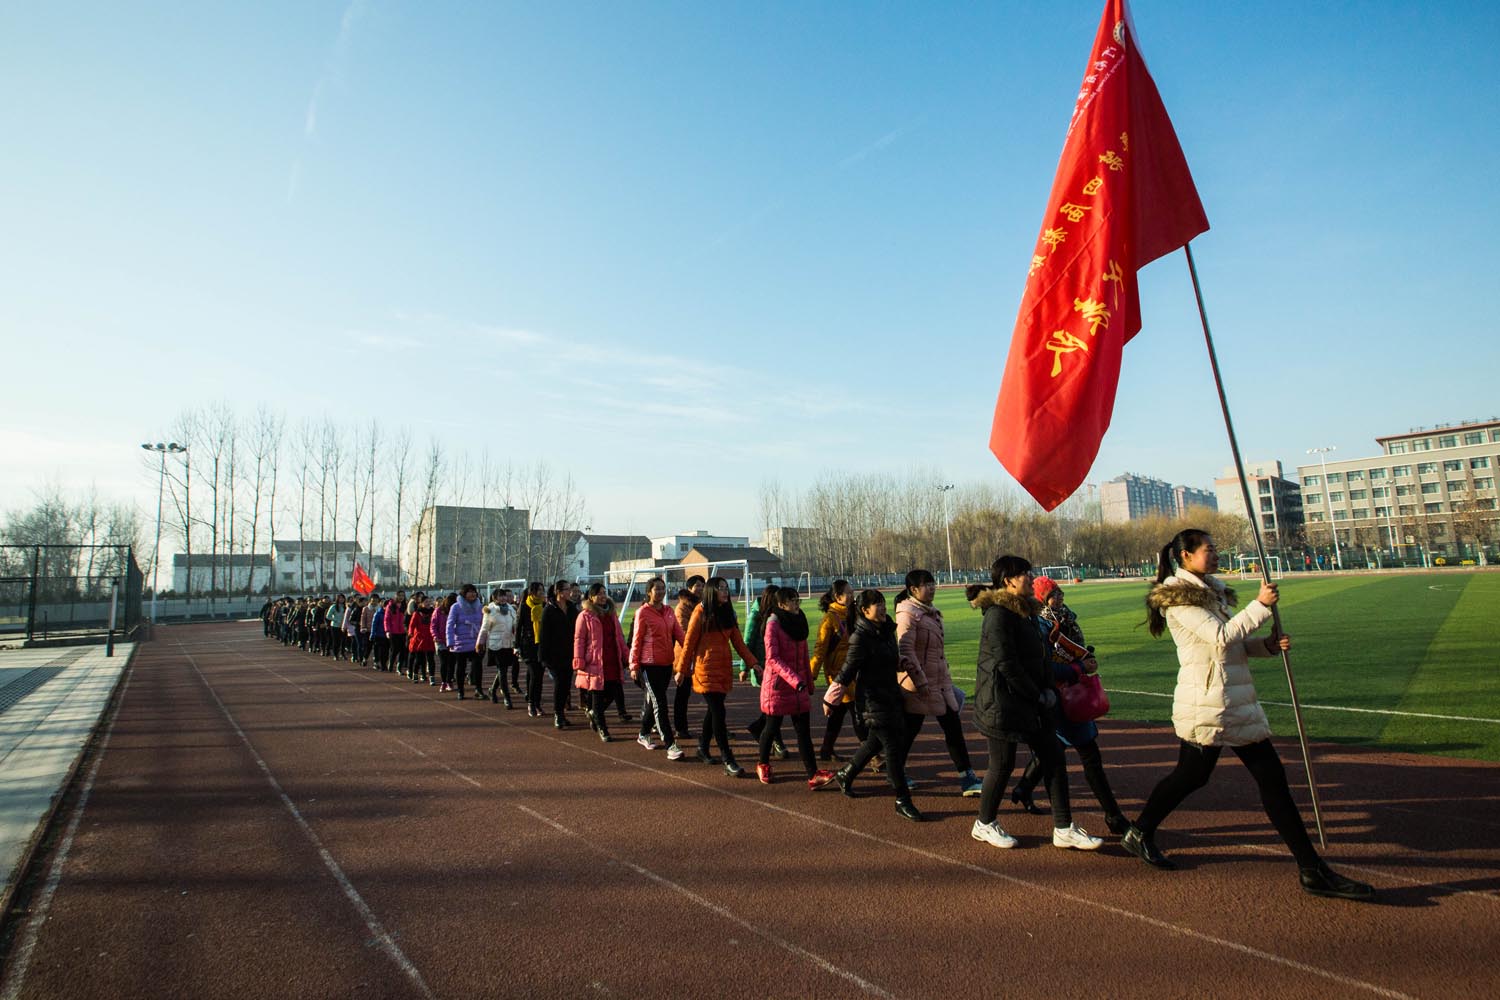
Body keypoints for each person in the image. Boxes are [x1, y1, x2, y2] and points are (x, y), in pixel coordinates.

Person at [1126, 530, 1373, 900]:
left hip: (1234, 700)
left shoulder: (1212, 592)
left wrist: (1267, 646)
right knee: (1192, 776)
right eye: (1209, 549)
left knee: (1270, 779)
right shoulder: (1179, 600)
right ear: (1187, 556)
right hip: (1206, 702)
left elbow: (1234, 647)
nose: (1215, 554)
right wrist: (1259, 605)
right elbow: (1221, 637)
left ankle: (1311, 869)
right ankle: (1140, 831)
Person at [968, 556, 1102, 851]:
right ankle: (984, 823)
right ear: (1008, 581)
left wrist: (1056, 683)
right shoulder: (998, 615)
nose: (1031, 578)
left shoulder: (1026, 612)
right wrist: (1038, 694)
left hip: (1032, 701)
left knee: (1053, 755)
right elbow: (1007, 665)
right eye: (1025, 574)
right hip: (1002, 704)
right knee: (1002, 764)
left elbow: (1039, 660)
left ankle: (1064, 827)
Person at [1010, 576, 1127, 835]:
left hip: (1073, 693)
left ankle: (1024, 789)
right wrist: (1077, 667)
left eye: (1060, 592)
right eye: (1053, 594)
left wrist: (1085, 660)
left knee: (1055, 751)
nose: (1059, 597)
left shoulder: (1065, 618)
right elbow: (1043, 668)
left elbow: (1077, 648)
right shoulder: (1038, 625)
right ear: (1042, 598)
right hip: (1058, 699)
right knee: (1087, 755)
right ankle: (1113, 815)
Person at [825, 590, 921, 821]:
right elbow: (848, 669)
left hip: (890, 696)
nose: (882, 607)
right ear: (864, 610)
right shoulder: (860, 637)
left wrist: (900, 662)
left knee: (873, 743)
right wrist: (831, 696)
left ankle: (846, 774)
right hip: (872, 700)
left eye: (882, 602)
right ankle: (902, 800)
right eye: (876, 604)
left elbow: (888, 660)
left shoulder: (886, 630)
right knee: (892, 750)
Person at [894, 570, 982, 797]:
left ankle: (967, 777)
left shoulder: (930, 613)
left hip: (939, 682)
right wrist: (921, 682)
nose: (932, 588)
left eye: (933, 583)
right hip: (918, 686)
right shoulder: (908, 615)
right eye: (927, 585)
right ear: (913, 590)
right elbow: (906, 652)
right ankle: (896, 772)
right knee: (909, 731)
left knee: (953, 728)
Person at [675, 576, 759, 777]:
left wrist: (753, 663)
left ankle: (703, 747)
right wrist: (681, 669)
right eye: (721, 588)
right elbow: (688, 644)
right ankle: (728, 758)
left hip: (722, 669)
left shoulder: (727, 613)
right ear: (712, 591)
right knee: (719, 713)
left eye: (726, 588)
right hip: (705, 670)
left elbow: (738, 643)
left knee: (713, 712)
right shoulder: (700, 613)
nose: (725, 592)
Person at [757, 587, 836, 790]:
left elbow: (802, 657)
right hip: (778, 686)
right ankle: (763, 764)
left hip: (798, 686)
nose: (796, 605)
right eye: (792, 601)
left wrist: (808, 683)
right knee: (771, 727)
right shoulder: (773, 624)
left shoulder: (799, 621)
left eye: (797, 600)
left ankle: (813, 774)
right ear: (781, 604)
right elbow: (772, 658)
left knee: (803, 733)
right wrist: (796, 680)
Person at [628, 577, 686, 759]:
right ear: (649, 592)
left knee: (653, 702)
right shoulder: (643, 613)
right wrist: (634, 665)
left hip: (666, 664)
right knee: (660, 704)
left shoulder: (669, 611)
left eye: (663, 588)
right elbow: (636, 641)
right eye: (657, 589)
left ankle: (643, 733)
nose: (661, 592)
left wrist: (692, 650)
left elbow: (680, 634)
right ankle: (670, 744)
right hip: (648, 666)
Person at [813, 580, 862, 762]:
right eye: (848, 592)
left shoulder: (853, 615)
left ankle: (826, 750)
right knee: (857, 712)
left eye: (852, 591)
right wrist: (812, 675)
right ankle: (873, 755)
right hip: (838, 674)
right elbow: (820, 649)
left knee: (838, 714)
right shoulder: (829, 619)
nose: (852, 595)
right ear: (838, 597)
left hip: (854, 670)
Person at [573, 584, 629, 742]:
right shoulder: (585, 616)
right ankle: (603, 728)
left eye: (604, 593)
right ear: (591, 597)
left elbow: (619, 637)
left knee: (613, 691)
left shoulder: (611, 614)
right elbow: (579, 640)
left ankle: (593, 714)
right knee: (597, 695)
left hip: (612, 659)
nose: (603, 596)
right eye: (599, 594)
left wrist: (626, 656)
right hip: (596, 661)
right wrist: (579, 660)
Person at [744, 584, 788, 760]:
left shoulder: (779, 617)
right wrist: (745, 667)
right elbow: (747, 641)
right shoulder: (756, 616)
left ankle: (759, 728)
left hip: (778, 667)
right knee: (775, 707)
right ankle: (777, 742)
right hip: (762, 668)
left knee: (776, 707)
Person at [541, 581, 580, 728]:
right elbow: (544, 635)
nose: (570, 592)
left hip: (569, 653)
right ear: (559, 591)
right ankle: (558, 713)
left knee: (566, 685)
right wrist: (544, 658)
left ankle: (562, 712)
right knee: (559, 683)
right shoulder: (549, 610)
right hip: (554, 655)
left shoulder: (572, 609)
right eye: (567, 589)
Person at [671, 576, 706, 738]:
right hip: (685, 655)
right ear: (690, 588)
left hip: (701, 655)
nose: (700, 588)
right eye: (697, 586)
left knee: (711, 692)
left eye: (702, 585)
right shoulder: (682, 608)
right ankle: (680, 727)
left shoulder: (705, 605)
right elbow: (685, 634)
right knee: (683, 693)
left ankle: (716, 726)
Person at [480, 588, 518, 708]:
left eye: (504, 596)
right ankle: (507, 697)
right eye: (500, 596)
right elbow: (484, 628)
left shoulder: (511, 609)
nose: (503, 598)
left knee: (503, 670)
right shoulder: (489, 610)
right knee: (502, 670)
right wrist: (480, 643)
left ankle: (492, 689)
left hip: (508, 643)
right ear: (494, 598)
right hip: (496, 644)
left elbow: (515, 625)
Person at [447, 584, 485, 700]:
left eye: (474, 592)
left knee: (477, 666)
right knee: (461, 667)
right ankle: (460, 690)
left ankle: (478, 689)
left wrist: (484, 640)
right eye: (470, 592)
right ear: (464, 594)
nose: (473, 594)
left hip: (476, 641)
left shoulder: (480, 606)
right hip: (461, 642)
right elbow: (450, 624)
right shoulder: (456, 607)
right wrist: (450, 641)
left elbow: (484, 623)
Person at [518, 582, 547, 716]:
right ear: (532, 592)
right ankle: (531, 702)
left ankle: (537, 702)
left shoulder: (545, 606)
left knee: (539, 675)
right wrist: (516, 646)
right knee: (534, 674)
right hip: (528, 645)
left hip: (541, 645)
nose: (541, 592)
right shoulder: (524, 607)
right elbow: (519, 628)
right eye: (539, 590)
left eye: (542, 590)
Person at [408, 594, 435, 685]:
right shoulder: (417, 613)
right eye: (426, 602)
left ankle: (432, 677)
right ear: (421, 604)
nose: (428, 603)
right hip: (419, 638)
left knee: (431, 659)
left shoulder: (433, 612)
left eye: (429, 602)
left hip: (430, 638)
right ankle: (415, 674)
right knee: (419, 659)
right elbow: (412, 625)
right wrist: (411, 633)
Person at [432, 594, 454, 691]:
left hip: (453, 640)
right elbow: (433, 625)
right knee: (444, 662)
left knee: (452, 663)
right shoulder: (438, 611)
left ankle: (449, 681)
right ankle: (444, 682)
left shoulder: (456, 610)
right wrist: (435, 636)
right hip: (441, 640)